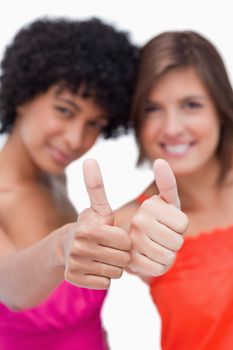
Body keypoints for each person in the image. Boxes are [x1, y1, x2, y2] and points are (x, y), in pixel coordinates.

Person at [0, 18, 187, 350]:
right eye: (64, 110)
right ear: (23, 94)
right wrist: (60, 247)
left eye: (94, 124)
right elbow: (10, 289)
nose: (75, 139)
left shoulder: (52, 176)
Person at [115, 30, 233, 349]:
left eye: (191, 105)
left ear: (220, 109)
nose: (172, 128)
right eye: (152, 109)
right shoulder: (134, 221)